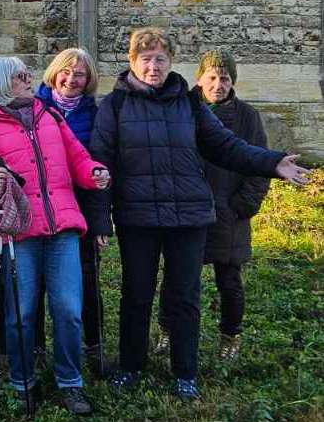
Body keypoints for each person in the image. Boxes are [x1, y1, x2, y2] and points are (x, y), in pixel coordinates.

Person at [91, 27, 309, 399]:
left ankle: (185, 371)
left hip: (189, 217)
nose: (154, 66)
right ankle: (130, 366)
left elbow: (226, 146)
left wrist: (272, 163)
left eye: (161, 58)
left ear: (171, 62)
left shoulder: (189, 103)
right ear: (132, 62)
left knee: (185, 295)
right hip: (137, 217)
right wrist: (100, 219)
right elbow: (100, 163)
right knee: (137, 294)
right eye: (146, 58)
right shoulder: (115, 105)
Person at [0, 57, 111, 416]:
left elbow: (76, 157)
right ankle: (22, 382)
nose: (28, 78)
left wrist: (93, 172)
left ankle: (70, 382)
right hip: (17, 231)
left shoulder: (47, 114)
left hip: (61, 225)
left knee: (68, 309)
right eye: (19, 75)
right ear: (2, 82)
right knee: (20, 312)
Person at [157, 50, 272, 363]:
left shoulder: (247, 116)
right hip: (186, 210)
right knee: (176, 278)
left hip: (227, 213)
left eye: (225, 78)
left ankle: (230, 336)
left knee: (230, 281)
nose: (218, 84)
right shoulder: (182, 109)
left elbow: (258, 164)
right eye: (212, 77)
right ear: (200, 79)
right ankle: (167, 331)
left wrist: (241, 206)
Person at [37, 48, 110, 375]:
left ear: (88, 80)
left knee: (85, 280)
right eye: (66, 72)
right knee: (34, 282)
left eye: (79, 74)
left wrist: (99, 223)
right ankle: (37, 347)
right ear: (54, 72)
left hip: (78, 209)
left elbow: (98, 169)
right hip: (38, 209)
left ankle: (92, 345)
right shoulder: (33, 108)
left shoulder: (96, 116)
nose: (71, 79)